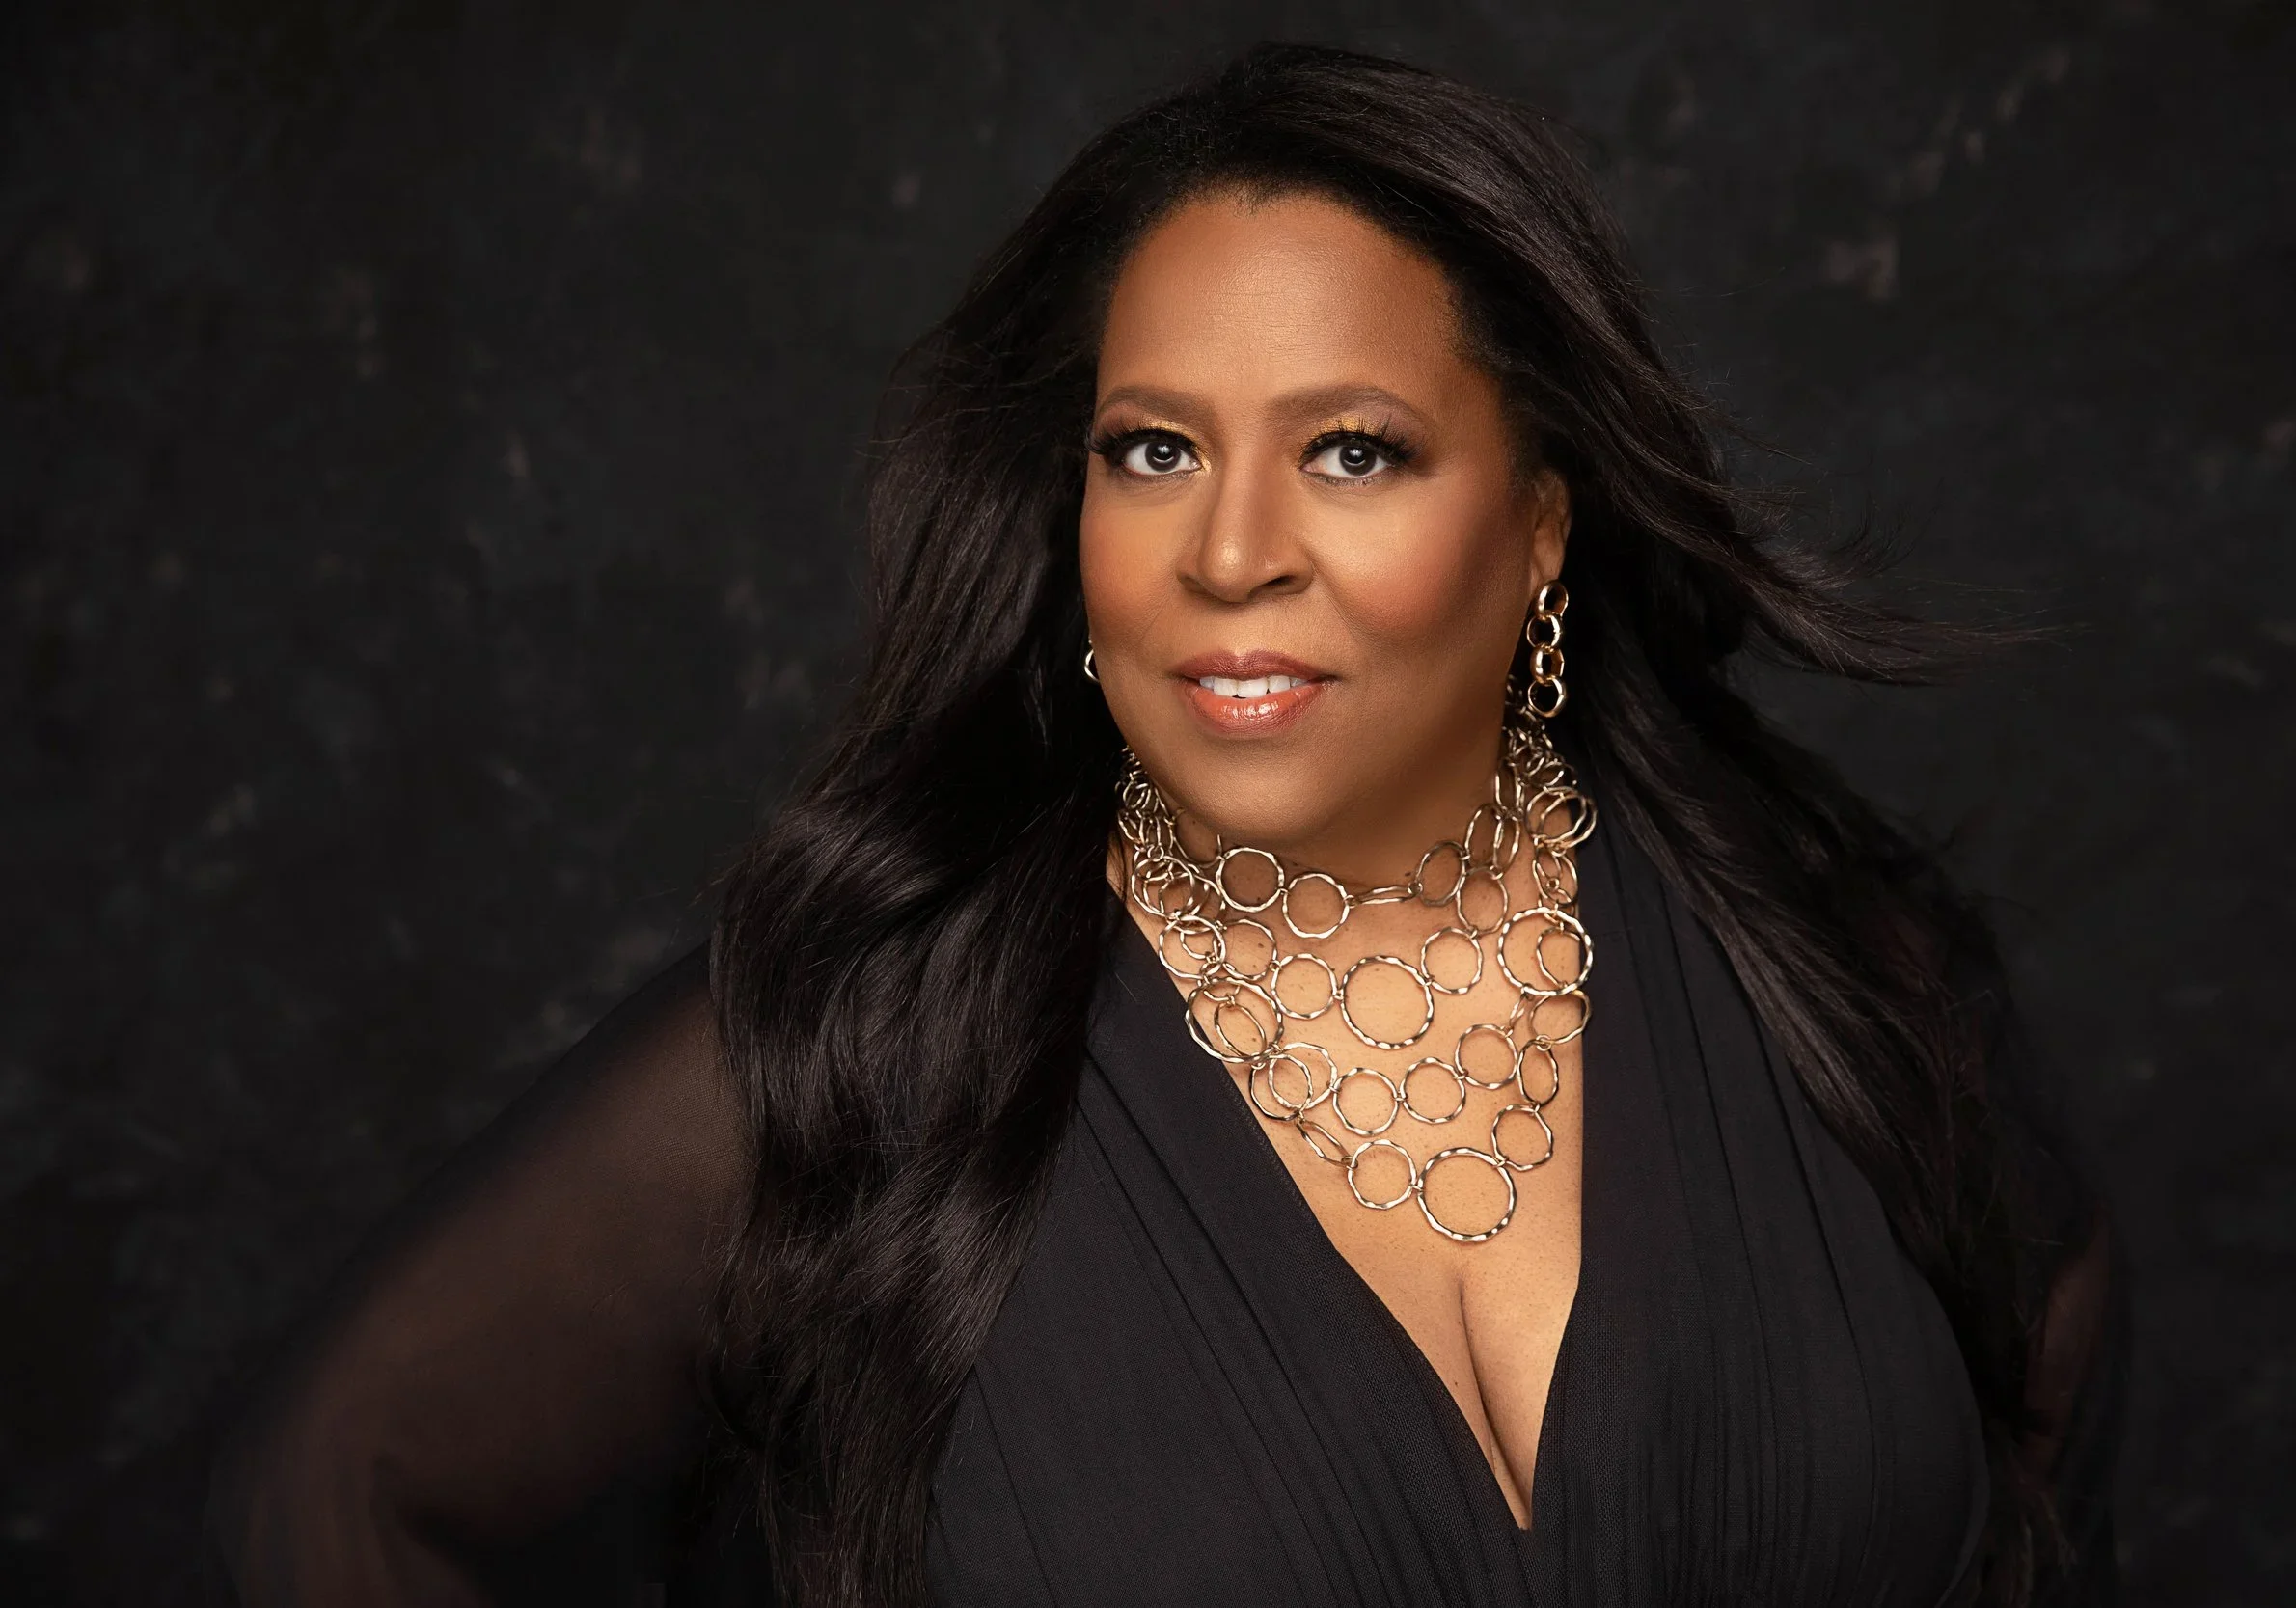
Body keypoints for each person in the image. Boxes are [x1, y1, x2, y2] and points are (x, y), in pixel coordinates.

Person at [209, 42, 2121, 1608]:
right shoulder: (864, 1053)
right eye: (1154, 450)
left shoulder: (1823, 959)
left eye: (1350, 450)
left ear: (1539, 523)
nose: (1228, 551)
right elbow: (339, 1492)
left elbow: (2044, 1439)